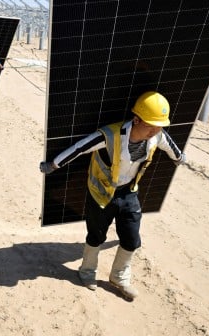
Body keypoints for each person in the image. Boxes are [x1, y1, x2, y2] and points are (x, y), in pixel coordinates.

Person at [39, 91, 186, 300]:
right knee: (96, 235)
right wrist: (53, 165)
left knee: (132, 238)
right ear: (136, 119)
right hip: (101, 193)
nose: (155, 131)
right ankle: (87, 272)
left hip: (129, 192)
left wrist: (179, 158)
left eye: (159, 125)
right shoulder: (109, 135)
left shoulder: (156, 136)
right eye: (151, 125)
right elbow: (80, 147)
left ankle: (120, 277)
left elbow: (170, 145)